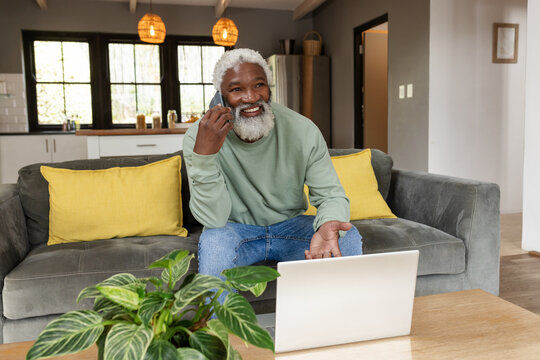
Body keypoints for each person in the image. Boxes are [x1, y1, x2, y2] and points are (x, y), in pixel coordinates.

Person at [183, 48, 363, 282]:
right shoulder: (198, 138)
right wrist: (204, 157)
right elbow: (214, 220)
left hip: (291, 227)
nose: (251, 97)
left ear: (269, 89)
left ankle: (340, 318)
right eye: (237, 89)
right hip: (234, 229)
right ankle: (218, 320)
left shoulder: (303, 130)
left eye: (259, 85)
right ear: (220, 97)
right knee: (214, 240)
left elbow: (331, 195)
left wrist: (329, 223)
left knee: (346, 236)